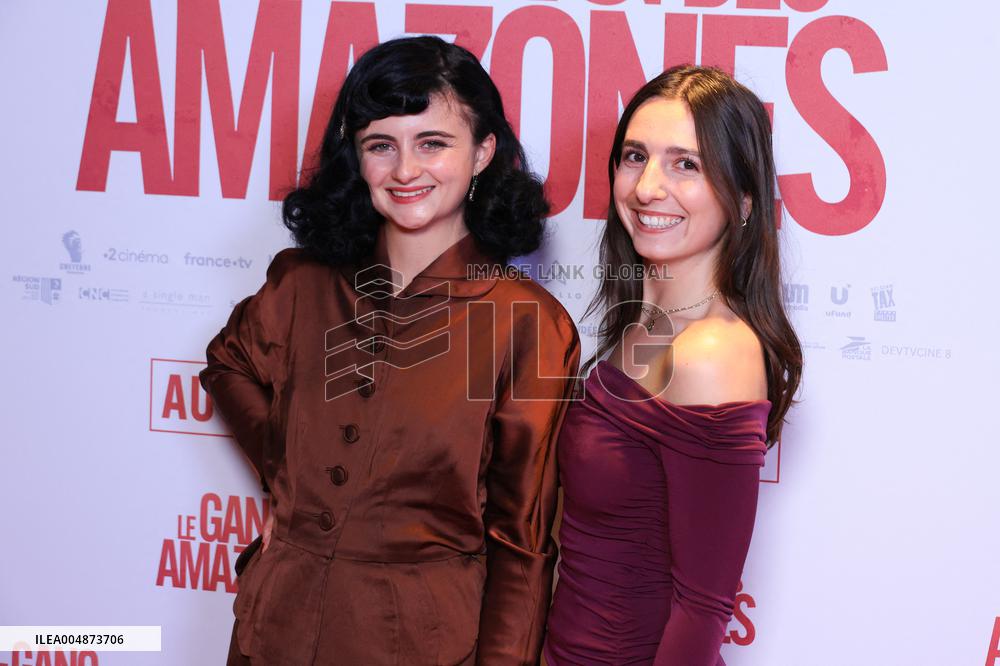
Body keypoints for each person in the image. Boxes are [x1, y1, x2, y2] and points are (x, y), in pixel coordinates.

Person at [201, 36, 580, 666]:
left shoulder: (528, 324)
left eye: (433, 142)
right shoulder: (302, 283)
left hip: (422, 643)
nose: (406, 171)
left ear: (484, 151)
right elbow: (228, 363)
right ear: (357, 156)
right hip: (275, 630)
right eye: (382, 145)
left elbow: (522, 543)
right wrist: (293, 482)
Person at [543, 66, 802, 665]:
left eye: (686, 163)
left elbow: (703, 609)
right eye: (635, 156)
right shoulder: (649, 327)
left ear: (743, 199)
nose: (647, 188)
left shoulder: (712, 353)